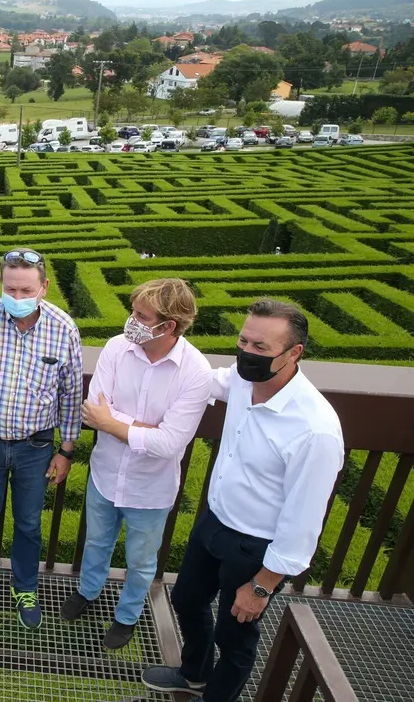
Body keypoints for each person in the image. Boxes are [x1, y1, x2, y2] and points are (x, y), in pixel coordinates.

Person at [142, 299, 344, 701]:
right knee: (186, 599)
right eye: (243, 341)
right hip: (214, 522)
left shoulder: (315, 430)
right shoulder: (241, 380)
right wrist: (160, 335)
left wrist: (263, 586)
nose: (247, 353)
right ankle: (193, 672)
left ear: (294, 353)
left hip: (255, 547)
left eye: (261, 348)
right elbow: (204, 377)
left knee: (235, 634)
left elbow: (302, 523)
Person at [63, 279, 211, 649]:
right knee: (96, 542)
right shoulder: (117, 347)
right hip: (105, 473)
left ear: (168, 326)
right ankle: (88, 591)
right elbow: (93, 409)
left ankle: (127, 616)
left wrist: (114, 423)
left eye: (141, 316)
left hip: (150, 489)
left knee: (141, 561)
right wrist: (144, 430)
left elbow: (170, 443)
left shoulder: (196, 372)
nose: (131, 320)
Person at [0, 249, 83, 629]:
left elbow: (71, 394)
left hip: (36, 447)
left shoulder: (64, 327)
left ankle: (25, 588)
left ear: (44, 287)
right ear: (1, 284)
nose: (17, 297)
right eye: (10, 289)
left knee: (28, 523)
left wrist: (66, 451)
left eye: (26, 290)